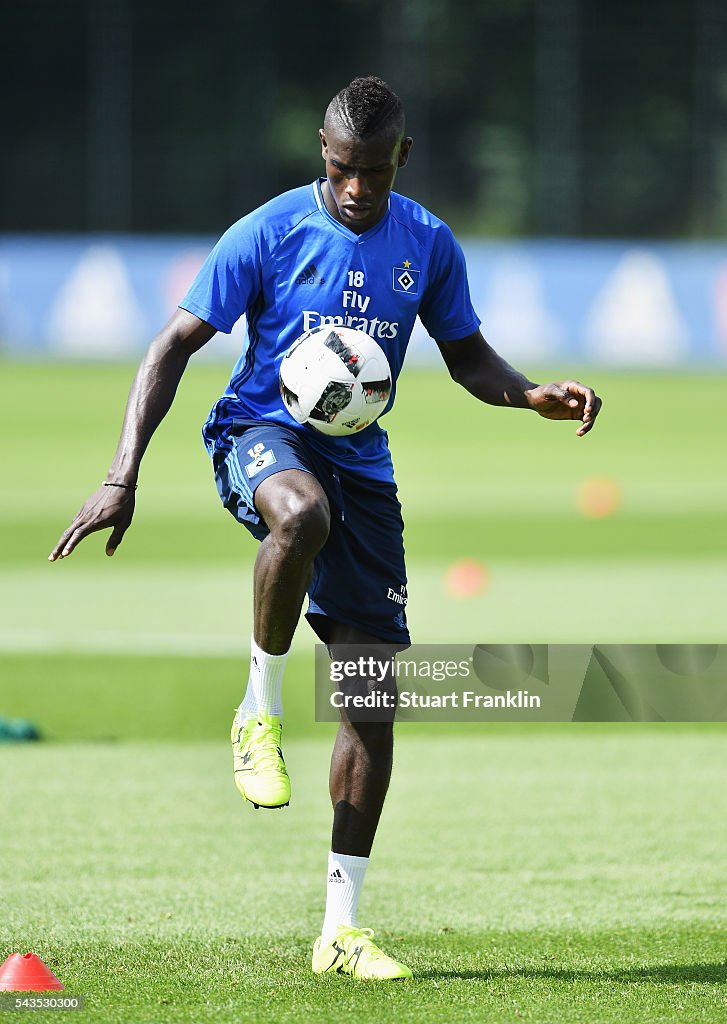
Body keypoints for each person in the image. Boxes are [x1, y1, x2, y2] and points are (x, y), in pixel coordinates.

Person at [50, 76, 602, 981]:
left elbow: (465, 354)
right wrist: (122, 475)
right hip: (260, 433)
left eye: (373, 174)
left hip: (361, 463)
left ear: (402, 161)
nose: (355, 189)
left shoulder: (424, 242)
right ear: (322, 151)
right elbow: (171, 346)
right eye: (342, 169)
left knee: (373, 703)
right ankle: (257, 708)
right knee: (299, 514)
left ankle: (339, 930)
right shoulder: (267, 231)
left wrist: (528, 393)